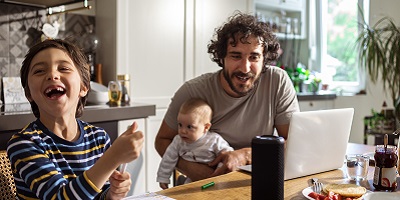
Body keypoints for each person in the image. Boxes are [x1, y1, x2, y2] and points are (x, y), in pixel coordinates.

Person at [155, 12, 299, 182]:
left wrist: (246, 155)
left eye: (254, 57)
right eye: (236, 56)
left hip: (260, 177)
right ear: (222, 57)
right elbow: (162, 140)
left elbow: (295, 142)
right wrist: (200, 174)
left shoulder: (277, 81)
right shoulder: (192, 91)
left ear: (264, 59)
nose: (245, 68)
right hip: (206, 183)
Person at [7, 39, 144, 199]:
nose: (52, 75)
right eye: (39, 71)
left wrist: (111, 194)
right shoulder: (24, 144)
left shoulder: (98, 137)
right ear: (28, 93)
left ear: (84, 87)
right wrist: (112, 158)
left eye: (64, 68)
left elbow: (96, 195)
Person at [156, 98, 233, 189]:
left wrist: (219, 172)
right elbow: (168, 158)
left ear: (206, 127)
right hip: (191, 179)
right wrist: (163, 178)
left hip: (215, 179)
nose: (183, 131)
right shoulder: (178, 141)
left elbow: (228, 154)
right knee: (187, 192)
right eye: (180, 125)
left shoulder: (214, 140)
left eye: (190, 127)